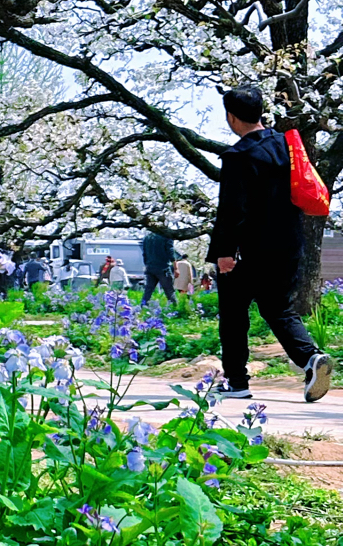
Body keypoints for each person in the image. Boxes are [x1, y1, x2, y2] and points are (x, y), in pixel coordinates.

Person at [207, 83, 332, 403]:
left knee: (233, 314)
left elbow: (232, 209)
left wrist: (223, 252)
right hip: (290, 243)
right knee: (279, 308)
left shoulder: (238, 156)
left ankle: (236, 381)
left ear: (232, 118)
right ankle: (310, 358)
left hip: (248, 250)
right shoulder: (286, 145)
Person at [139, 228, 178, 307]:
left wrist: (147, 264)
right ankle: (175, 309)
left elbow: (144, 254)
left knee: (148, 291)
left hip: (150, 267)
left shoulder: (147, 238)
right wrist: (176, 268)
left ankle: (142, 308)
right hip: (163, 267)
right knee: (169, 291)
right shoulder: (166, 236)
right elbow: (170, 252)